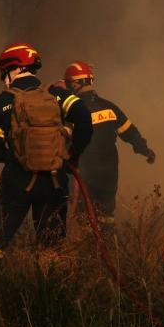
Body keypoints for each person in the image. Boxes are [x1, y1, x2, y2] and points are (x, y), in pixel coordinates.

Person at [0, 43, 93, 258]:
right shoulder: (57, 94)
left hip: (17, 182)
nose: (4, 79)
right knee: (51, 250)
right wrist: (71, 156)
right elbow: (85, 120)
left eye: (4, 73)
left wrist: (16, 158)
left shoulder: (0, 102)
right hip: (55, 182)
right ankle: (49, 288)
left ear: (14, 70)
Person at [63, 60, 155, 229]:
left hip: (84, 172)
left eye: (69, 84)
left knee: (85, 216)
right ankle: (109, 248)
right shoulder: (109, 107)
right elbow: (130, 133)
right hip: (109, 171)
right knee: (106, 215)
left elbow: (62, 140)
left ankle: (89, 250)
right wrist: (145, 150)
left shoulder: (72, 112)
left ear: (75, 84)